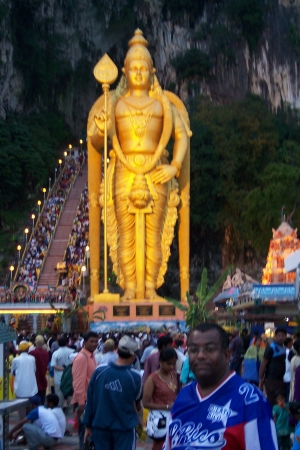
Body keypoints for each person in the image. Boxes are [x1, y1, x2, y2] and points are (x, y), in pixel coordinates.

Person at [88, 28, 191, 301]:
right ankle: (130, 288)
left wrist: (175, 167)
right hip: (123, 170)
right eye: (133, 68)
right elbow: (100, 140)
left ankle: (150, 288)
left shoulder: (163, 105)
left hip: (156, 170)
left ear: (152, 71)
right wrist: (100, 126)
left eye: (143, 68)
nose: (138, 73)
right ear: (124, 71)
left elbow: (181, 137)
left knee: (153, 235)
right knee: (125, 234)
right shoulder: (116, 103)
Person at [164, 323, 278, 450]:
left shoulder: (250, 401)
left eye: (210, 349)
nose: (200, 355)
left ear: (227, 355)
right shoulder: (184, 395)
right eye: (194, 350)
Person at [83, 335, 142, 450]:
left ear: (117, 351)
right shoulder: (135, 377)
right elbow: (135, 402)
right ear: (133, 356)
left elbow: (90, 401)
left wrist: (88, 426)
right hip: (124, 428)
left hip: (100, 426)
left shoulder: (99, 371)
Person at [143, 348, 178, 450]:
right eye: (169, 364)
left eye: (174, 364)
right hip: (160, 420)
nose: (172, 367)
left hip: (173, 417)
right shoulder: (152, 379)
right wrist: (166, 406)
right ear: (161, 362)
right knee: (161, 445)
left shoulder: (174, 375)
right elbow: (145, 403)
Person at [71, 331, 98, 449]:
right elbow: (79, 382)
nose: (94, 344)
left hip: (90, 400)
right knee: (85, 435)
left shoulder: (91, 356)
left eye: (96, 341)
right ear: (85, 342)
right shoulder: (81, 358)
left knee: (89, 433)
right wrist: (81, 403)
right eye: (91, 341)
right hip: (84, 401)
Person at [259, 327, 287, 406]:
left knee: (280, 403)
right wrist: (261, 379)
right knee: (273, 402)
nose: (281, 338)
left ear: (285, 336)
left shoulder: (283, 348)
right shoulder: (271, 348)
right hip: (271, 380)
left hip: (280, 380)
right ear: (275, 336)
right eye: (279, 335)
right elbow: (263, 363)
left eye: (283, 335)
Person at [11, 340, 38, 419]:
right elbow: (34, 370)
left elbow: (13, 372)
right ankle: (29, 421)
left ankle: (22, 423)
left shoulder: (15, 360)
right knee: (30, 405)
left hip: (20, 386)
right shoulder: (32, 358)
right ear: (27, 349)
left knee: (21, 407)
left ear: (19, 350)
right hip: (31, 386)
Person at [50, 336, 74, 407]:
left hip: (58, 376)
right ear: (67, 343)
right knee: (70, 393)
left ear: (58, 344)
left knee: (59, 394)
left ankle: (59, 408)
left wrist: (63, 369)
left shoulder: (56, 353)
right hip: (70, 375)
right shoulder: (72, 351)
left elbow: (53, 365)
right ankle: (70, 410)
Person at [29, 335, 49, 405]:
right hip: (42, 378)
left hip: (34, 379)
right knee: (42, 399)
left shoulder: (32, 353)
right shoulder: (46, 353)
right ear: (43, 343)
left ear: (35, 342)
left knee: (33, 401)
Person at [283, 337, 293, 401]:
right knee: (288, 393)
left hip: (283, 375)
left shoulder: (282, 351)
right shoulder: (290, 352)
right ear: (289, 343)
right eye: (292, 343)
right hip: (289, 375)